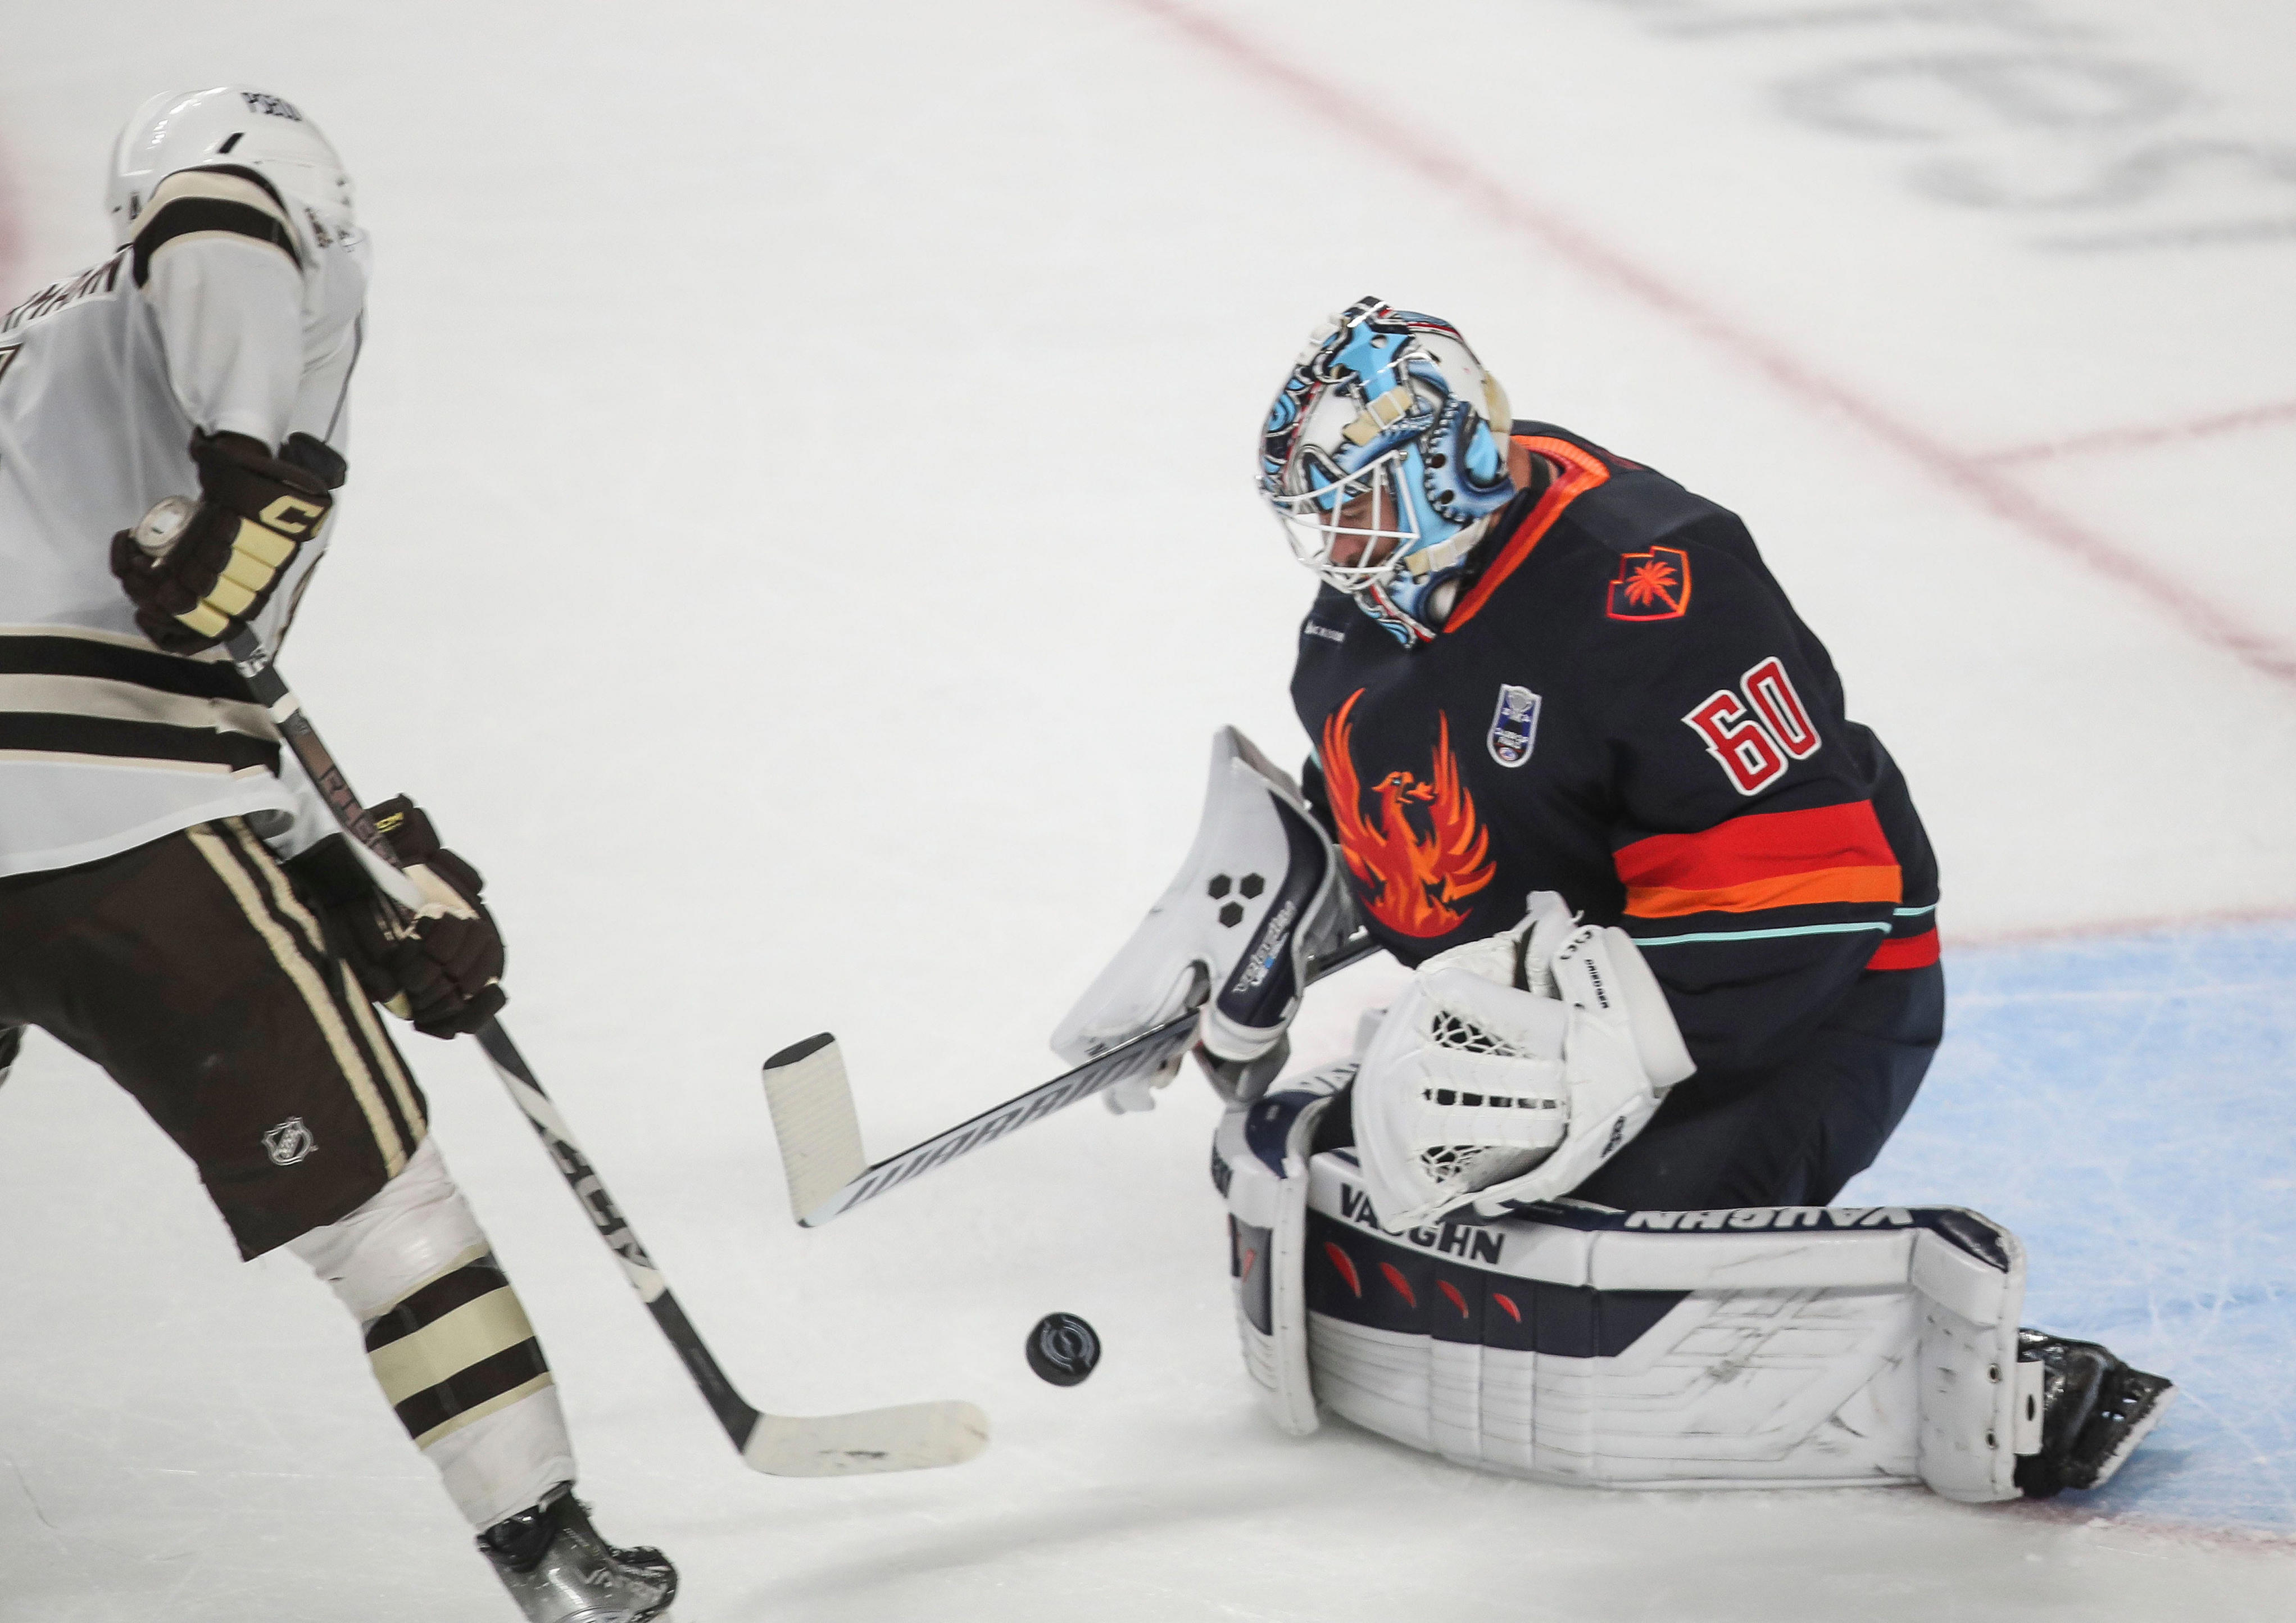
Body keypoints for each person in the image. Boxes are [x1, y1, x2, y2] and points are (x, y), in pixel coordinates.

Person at [1054, 297, 2168, 1502]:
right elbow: (1407, 827)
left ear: (1453, 464)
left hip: (1804, 1004)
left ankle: (2008, 1382)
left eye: (1364, 501)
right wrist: (1265, 909)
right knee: (1445, 1186)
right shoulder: (1359, 621)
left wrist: (1593, 1045)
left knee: (1576, 1253)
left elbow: (1820, 888)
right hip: (1583, 972)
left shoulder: (1655, 582)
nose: (1336, 540)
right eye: (1320, 510)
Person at [0, 88, 674, 1620]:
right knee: (386, 1208)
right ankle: (551, 1559)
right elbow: (217, 211)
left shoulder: (43, 362)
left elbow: (189, 681)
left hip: (99, 774)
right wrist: (244, 468)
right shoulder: (246, 253)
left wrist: (355, 874)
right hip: (108, 830)